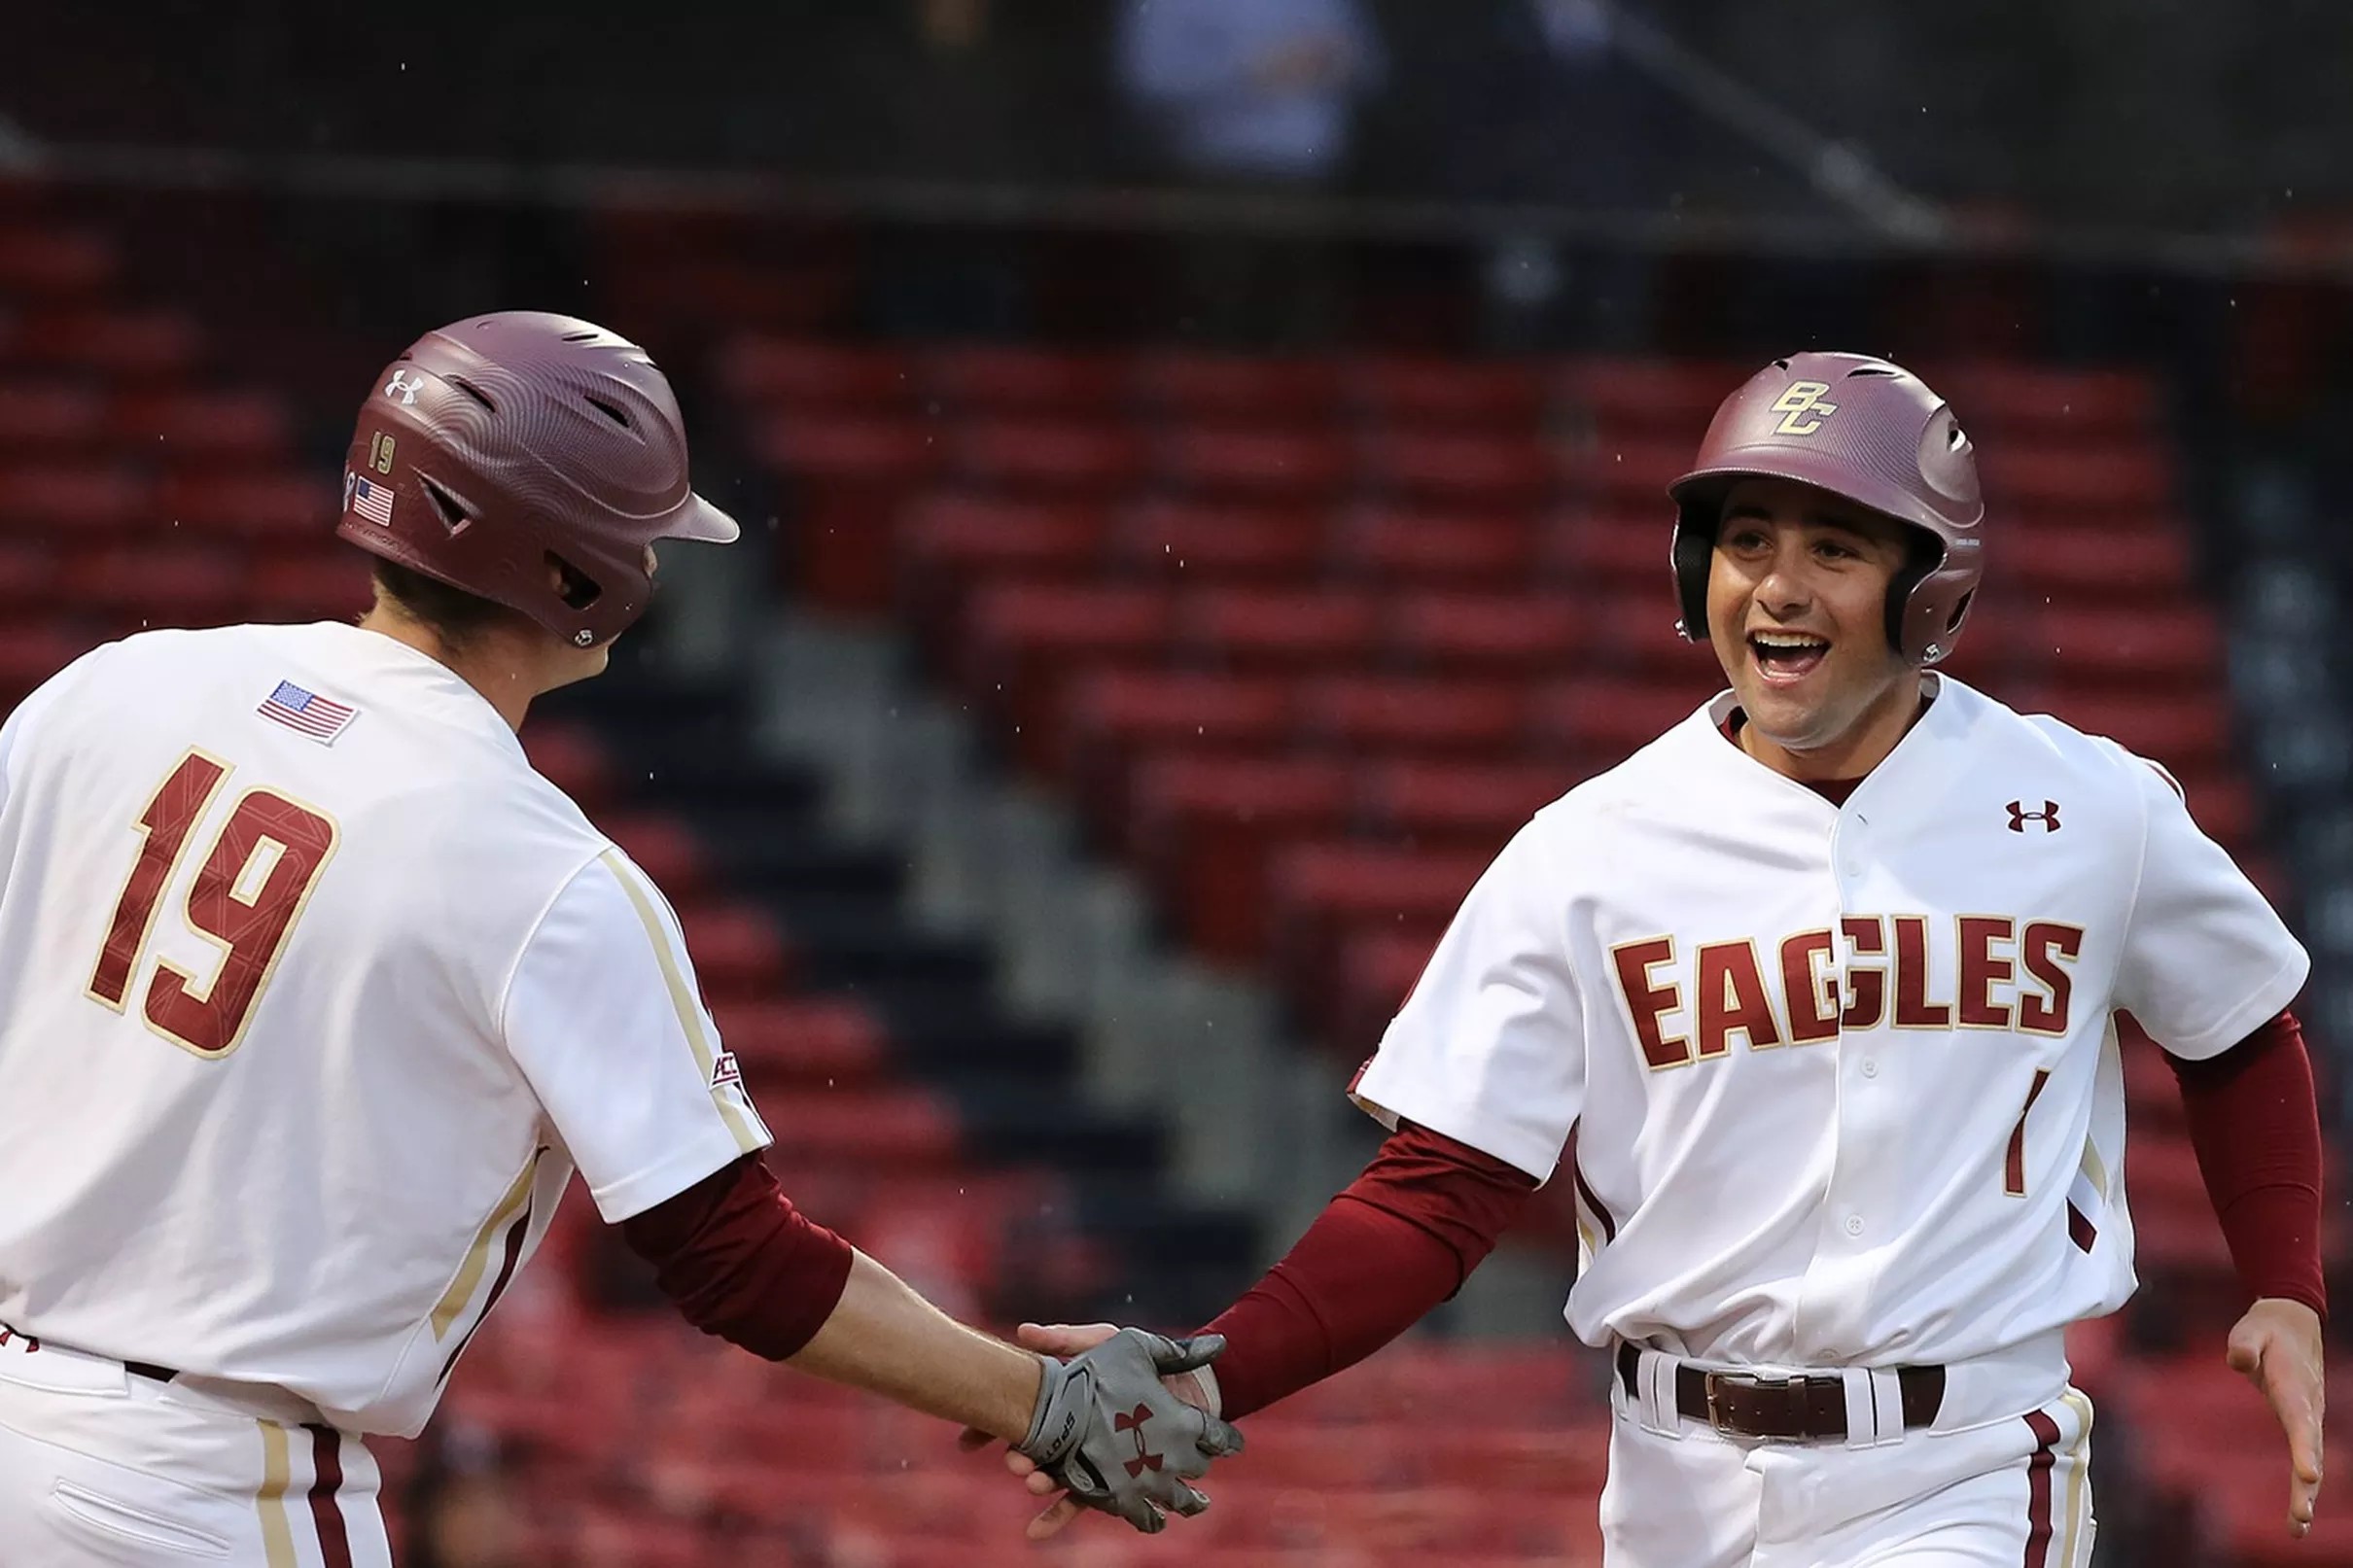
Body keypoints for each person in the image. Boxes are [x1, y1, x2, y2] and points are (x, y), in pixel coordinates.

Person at [984, 352, 2327, 1562]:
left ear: (1933, 587)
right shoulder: (1590, 850)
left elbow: (2239, 1029)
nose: (1778, 586)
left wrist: (2284, 1282)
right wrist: (1213, 1372)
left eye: (1835, 547)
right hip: (1674, 1482)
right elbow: (1435, 1193)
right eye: (1744, 540)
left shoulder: (2088, 808)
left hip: (1960, 1463)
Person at [0, 312, 1240, 1565]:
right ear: (587, 578)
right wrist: (1048, 1404)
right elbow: (737, 1262)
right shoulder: (547, 872)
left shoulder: (112, 688)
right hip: (194, 1487)